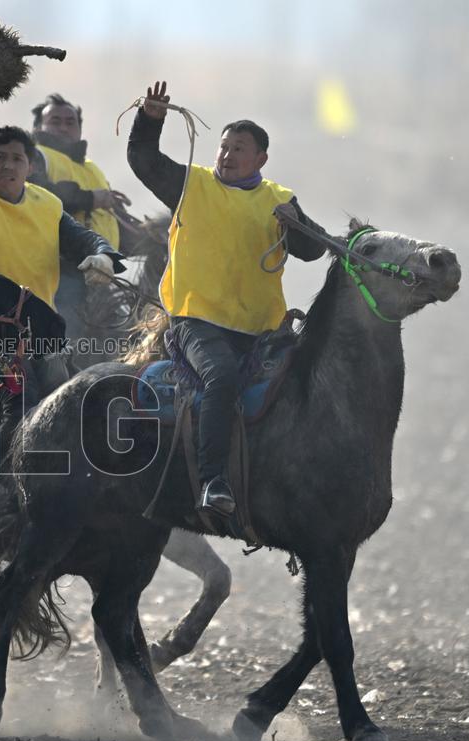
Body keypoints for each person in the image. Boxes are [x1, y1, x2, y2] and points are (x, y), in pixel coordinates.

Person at [127, 80, 326, 518]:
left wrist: (294, 224)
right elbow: (142, 159)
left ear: (261, 159)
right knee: (221, 379)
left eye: (239, 149)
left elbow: (315, 250)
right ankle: (213, 479)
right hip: (196, 322)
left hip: (260, 329)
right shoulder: (189, 184)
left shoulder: (278, 199)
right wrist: (151, 118)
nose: (227, 155)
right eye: (224, 147)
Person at [0, 122, 124, 393]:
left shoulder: (48, 205)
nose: (8, 165)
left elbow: (84, 239)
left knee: (69, 405)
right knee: (8, 412)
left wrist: (104, 256)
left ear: (31, 168)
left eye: (18, 159)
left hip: (39, 334)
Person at [27, 93, 135, 348]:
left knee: (122, 344)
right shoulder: (34, 156)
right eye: (55, 121)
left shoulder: (92, 169)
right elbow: (34, 194)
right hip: (58, 277)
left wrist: (154, 237)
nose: (64, 127)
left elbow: (108, 225)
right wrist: (88, 198)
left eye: (70, 122)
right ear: (38, 128)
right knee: (69, 348)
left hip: (99, 277)